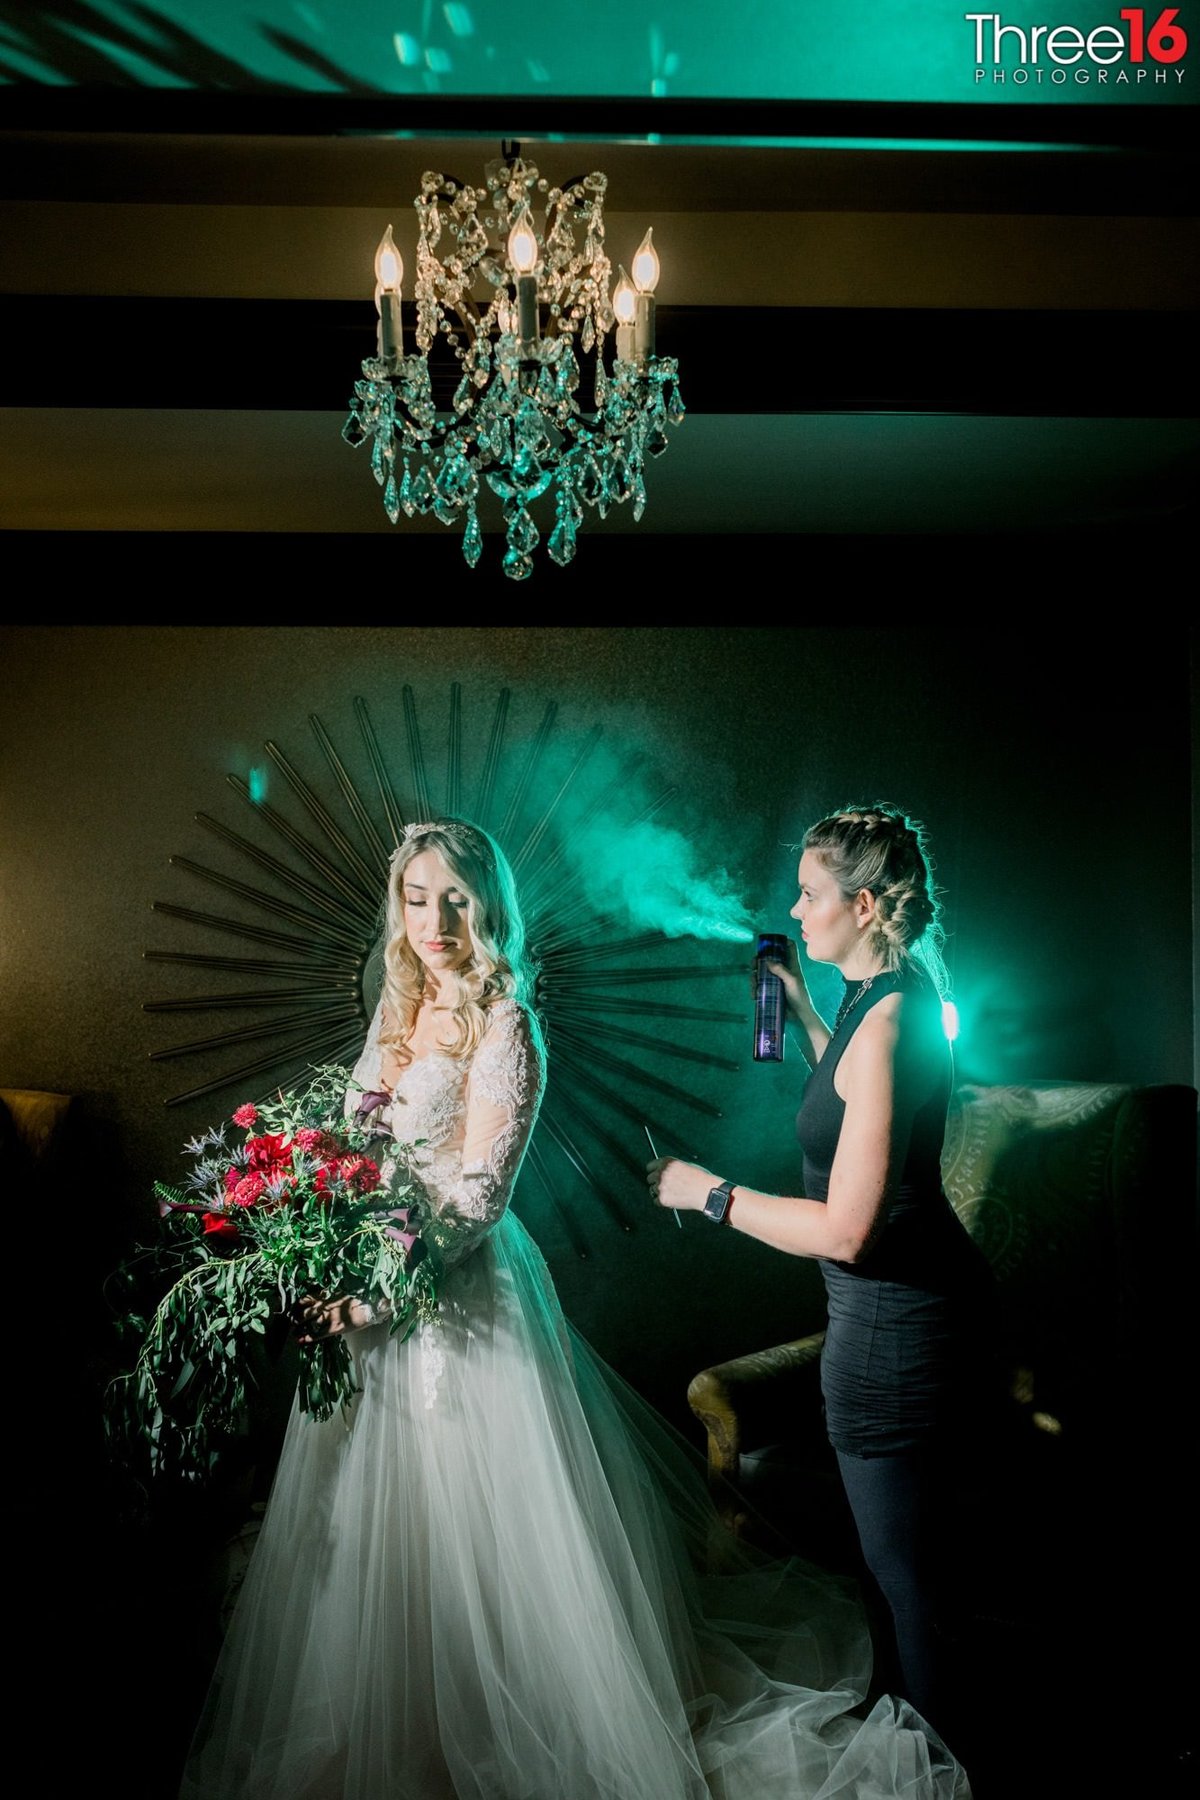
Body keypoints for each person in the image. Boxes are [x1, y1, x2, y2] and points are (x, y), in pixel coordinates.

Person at [179, 815, 973, 1800]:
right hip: (375, 1303)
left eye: (456, 900)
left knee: (904, 1581)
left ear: (490, 906)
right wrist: (317, 1231)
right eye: (417, 899)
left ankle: (953, 1749)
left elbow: (476, 1195)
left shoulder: (508, 1020)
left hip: (452, 1297)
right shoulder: (400, 1008)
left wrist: (705, 1192)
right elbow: (354, 1155)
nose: (434, 920)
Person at [647, 803, 1003, 1764]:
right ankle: (931, 1751)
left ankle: (948, 1772)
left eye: (810, 895)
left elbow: (846, 1230)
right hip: (905, 1318)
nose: (795, 911)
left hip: (895, 1335)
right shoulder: (882, 991)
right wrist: (803, 1007)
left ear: (866, 901)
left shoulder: (888, 1021)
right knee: (904, 1583)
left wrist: (709, 1193)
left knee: (909, 1588)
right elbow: (850, 1098)